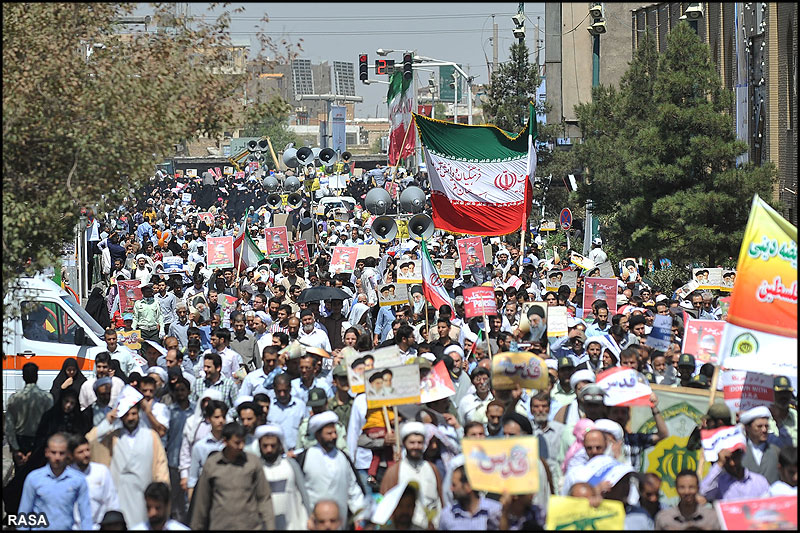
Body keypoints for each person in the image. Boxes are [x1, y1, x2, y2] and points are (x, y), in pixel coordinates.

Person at [87, 400, 170, 527]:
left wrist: (161, 490)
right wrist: (108, 420)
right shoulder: (112, 437)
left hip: (145, 496)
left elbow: (161, 464)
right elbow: (89, 442)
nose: (130, 418)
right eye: (126, 414)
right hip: (118, 495)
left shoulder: (151, 435)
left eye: (133, 414)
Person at [190, 422, 276, 530]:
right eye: (237, 443)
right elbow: (202, 503)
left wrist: (270, 526)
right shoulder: (212, 465)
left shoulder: (253, 463)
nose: (241, 446)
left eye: (243, 442)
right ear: (225, 441)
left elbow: (264, 498)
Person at [297, 411, 366, 527]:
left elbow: (353, 488)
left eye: (335, 433)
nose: (334, 436)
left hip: (339, 522)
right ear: (318, 435)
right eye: (329, 433)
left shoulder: (343, 457)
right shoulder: (305, 457)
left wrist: (360, 514)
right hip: (313, 522)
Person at [18, 433, 93, 530]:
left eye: (61, 453)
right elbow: (24, 513)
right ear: (47, 453)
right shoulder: (34, 479)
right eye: (53, 452)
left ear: (68, 454)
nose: (57, 457)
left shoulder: (78, 480)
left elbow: (86, 515)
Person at [380, 421, 443, 528]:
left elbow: (440, 499)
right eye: (412, 443)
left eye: (419, 443)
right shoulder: (395, 471)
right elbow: (385, 505)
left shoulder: (432, 468)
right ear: (405, 443)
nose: (416, 446)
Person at [253, 425, 311, 529]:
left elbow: (303, 494)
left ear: (279, 445)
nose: (269, 449)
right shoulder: (256, 468)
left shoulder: (290, 465)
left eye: (273, 445)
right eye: (265, 446)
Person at [68, 435, 120, 529]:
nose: (86, 454)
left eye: (87, 450)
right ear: (71, 455)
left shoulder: (101, 471)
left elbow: (112, 502)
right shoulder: (66, 476)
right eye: (81, 452)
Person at [5, 363, 53, 459]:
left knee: (21, 472)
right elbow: (50, 424)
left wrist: (16, 449)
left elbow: (9, 427)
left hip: (20, 442)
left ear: (23, 377)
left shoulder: (14, 398)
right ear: (37, 376)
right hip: (39, 441)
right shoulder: (47, 398)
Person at [439, 464, 501, 530]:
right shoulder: (448, 515)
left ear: (468, 487)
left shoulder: (495, 511)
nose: (451, 489)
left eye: (454, 485)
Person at [699, 443, 770, 501]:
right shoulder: (719, 483)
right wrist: (719, 464)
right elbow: (704, 492)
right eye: (727, 460)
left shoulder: (759, 481)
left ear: (741, 456)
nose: (732, 463)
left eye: (734, 458)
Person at [654, 470, 719, 530]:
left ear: (698, 488)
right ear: (676, 489)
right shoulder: (664, 518)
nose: (687, 492)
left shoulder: (712, 517)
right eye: (682, 487)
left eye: (691, 487)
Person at [740, 405, 780, 483]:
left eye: (766, 426)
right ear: (748, 428)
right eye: (759, 426)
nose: (764, 430)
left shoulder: (776, 451)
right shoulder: (739, 452)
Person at [768, 376, 797, 448]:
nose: (784, 396)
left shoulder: (796, 417)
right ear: (772, 393)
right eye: (780, 393)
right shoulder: (763, 417)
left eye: (787, 392)